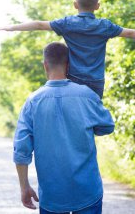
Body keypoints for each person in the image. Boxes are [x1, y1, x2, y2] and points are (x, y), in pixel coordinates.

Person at [0, 0, 135, 99]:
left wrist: (12, 27)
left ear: (75, 4)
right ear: (97, 6)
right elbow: (130, 33)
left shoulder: (67, 24)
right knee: (92, 117)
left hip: (73, 79)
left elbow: (38, 24)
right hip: (96, 81)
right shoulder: (104, 26)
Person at [13, 42, 115, 214]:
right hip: (88, 192)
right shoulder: (87, 95)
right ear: (68, 65)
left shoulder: (32, 101)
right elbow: (107, 126)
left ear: (45, 65)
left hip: (52, 196)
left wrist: (24, 187)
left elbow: (21, 150)